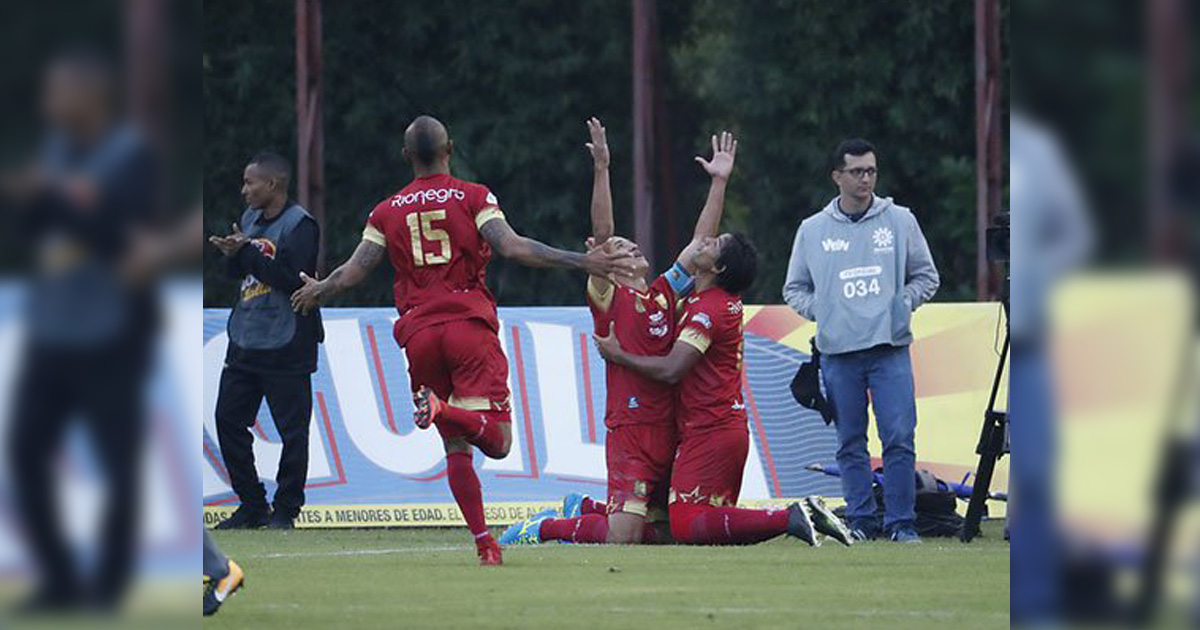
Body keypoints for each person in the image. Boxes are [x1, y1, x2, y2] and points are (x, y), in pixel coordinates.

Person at [289, 115, 634, 565]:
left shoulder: (385, 211)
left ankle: (485, 543)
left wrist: (319, 290)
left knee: (456, 447)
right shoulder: (472, 196)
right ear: (449, 148)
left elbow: (355, 270)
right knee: (500, 442)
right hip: (467, 327)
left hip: (418, 334)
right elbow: (512, 246)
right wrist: (581, 261)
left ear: (406, 155)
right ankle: (445, 410)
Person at [592, 137, 852, 547]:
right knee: (657, 531)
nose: (632, 246)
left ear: (717, 268)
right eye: (622, 248)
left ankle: (789, 517)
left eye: (713, 246)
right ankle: (566, 517)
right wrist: (716, 182)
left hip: (695, 429)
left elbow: (672, 367)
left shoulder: (685, 301)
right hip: (661, 429)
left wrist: (618, 355)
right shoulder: (644, 294)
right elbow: (674, 240)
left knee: (684, 526)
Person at [503, 123, 740, 546]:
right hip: (631, 429)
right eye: (622, 246)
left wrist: (719, 182)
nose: (632, 247)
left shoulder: (664, 293)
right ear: (606, 262)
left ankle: (584, 507)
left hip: (671, 427)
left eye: (631, 244)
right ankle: (542, 528)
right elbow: (602, 233)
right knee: (623, 538)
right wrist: (602, 167)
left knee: (667, 535)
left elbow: (701, 244)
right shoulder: (608, 296)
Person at [0, 48, 160, 613]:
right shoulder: (55, 151)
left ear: (91, 97)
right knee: (24, 453)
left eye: (58, 91)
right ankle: (60, 578)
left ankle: (110, 586)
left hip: (110, 334)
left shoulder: (130, 156)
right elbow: (32, 229)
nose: (48, 102)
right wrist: (30, 201)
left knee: (118, 462)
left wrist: (50, 197)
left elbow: (118, 236)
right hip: (52, 332)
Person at [781, 138, 940, 543]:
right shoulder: (812, 230)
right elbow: (794, 288)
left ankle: (901, 523)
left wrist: (901, 304)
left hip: (889, 348)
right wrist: (825, 311)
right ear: (837, 176)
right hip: (838, 352)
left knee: (899, 438)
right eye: (856, 172)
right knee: (850, 441)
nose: (865, 179)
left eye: (871, 171)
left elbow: (927, 276)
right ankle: (861, 521)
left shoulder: (900, 220)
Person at [209, 152, 323, 531]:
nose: (244, 190)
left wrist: (246, 252)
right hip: (245, 338)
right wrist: (232, 255)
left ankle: (286, 509)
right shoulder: (249, 220)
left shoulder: (300, 225)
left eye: (250, 182)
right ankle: (252, 505)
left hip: (287, 343)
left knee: (293, 432)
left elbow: (293, 279)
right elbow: (239, 273)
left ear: (272, 184)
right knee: (228, 420)